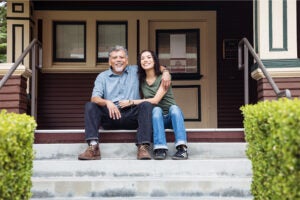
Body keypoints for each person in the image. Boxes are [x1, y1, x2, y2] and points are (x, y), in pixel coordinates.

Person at [78, 46, 171, 160]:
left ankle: (143, 147)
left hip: (132, 115)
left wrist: (166, 72)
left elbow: (153, 66)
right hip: (111, 116)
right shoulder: (102, 77)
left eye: (121, 57)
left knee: (146, 105)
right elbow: (95, 98)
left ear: (126, 60)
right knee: (90, 105)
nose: (118, 60)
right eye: (115, 57)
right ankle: (93, 147)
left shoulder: (135, 70)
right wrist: (107, 102)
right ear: (109, 61)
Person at [119, 50, 188, 160]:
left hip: (171, 118)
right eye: (142, 58)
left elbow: (155, 100)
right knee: (156, 111)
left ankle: (182, 148)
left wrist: (131, 102)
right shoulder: (141, 80)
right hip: (156, 119)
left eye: (149, 57)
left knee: (174, 108)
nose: (145, 60)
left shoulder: (164, 78)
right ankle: (160, 148)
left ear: (155, 60)